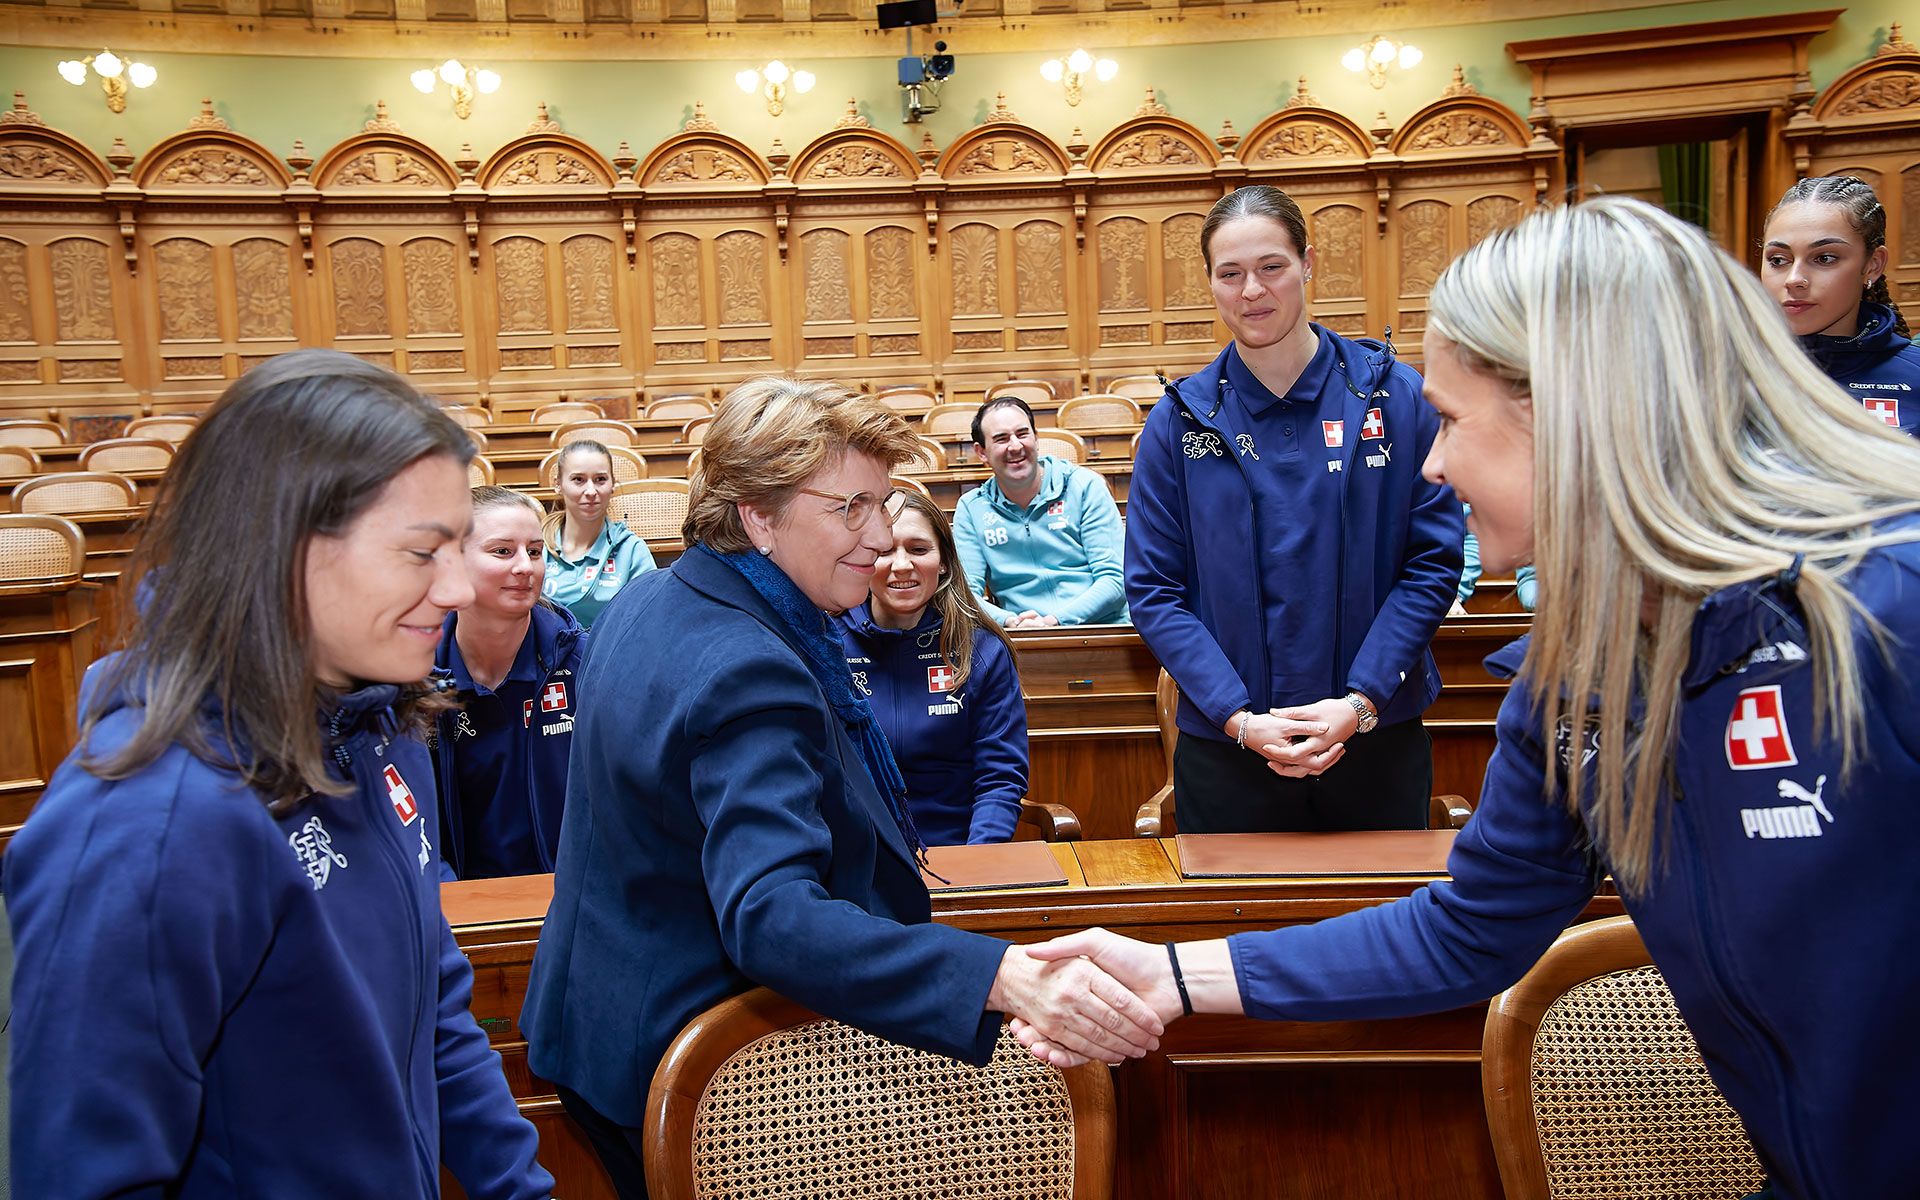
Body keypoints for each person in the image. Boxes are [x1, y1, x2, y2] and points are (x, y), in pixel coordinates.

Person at [1018, 198, 1920, 1200]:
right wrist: (1172, 976)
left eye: (1449, 421)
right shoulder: (1577, 675)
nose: (1434, 462)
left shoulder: (1892, 607)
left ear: (1571, 405)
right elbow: (1468, 928)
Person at [519, 377, 1164, 1199]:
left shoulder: (656, 595)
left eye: (884, 503)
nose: (881, 534)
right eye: (849, 508)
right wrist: (1006, 978)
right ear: (757, 514)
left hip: (596, 1019)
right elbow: (771, 914)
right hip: (688, 1065)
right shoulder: (749, 669)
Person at [5, 349, 553, 1199]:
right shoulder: (147, 825)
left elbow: (434, 1002)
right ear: (284, 548)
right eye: (422, 553)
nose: (455, 589)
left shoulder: (384, 722)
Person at [1126, 184, 1464, 833]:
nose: (1252, 291)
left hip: (1373, 739)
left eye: (1270, 267)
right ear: (1212, 283)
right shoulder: (1178, 421)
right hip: (1230, 752)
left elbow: (1431, 564)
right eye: (1231, 274)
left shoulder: (1396, 398)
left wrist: (1361, 702)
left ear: (1307, 263)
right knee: (1234, 931)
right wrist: (1239, 718)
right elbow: (1154, 591)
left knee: (1382, 931)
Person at [837, 491, 1029, 845]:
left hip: (959, 853)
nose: (901, 565)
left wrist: (978, 864)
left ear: (943, 562)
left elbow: (1000, 778)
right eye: (884, 551)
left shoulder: (982, 649)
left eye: (918, 549)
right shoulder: (829, 645)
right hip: (861, 863)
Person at [432, 486, 587, 879]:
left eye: (534, 552)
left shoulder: (585, 662)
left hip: (568, 897)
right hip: (457, 910)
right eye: (503, 551)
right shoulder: (415, 679)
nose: (525, 567)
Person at [951, 396, 1128, 628]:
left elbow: (1115, 580)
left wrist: (1054, 622)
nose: (1015, 446)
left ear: (1036, 439)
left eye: (1022, 434)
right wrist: (1010, 622)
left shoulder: (1085, 486)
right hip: (1020, 635)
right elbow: (965, 595)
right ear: (981, 452)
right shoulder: (971, 508)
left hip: (1100, 628)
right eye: (1001, 439)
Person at [1761, 175, 1918, 435]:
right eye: (1778, 260)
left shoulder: (1915, 375)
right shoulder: (1724, 372)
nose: (1794, 280)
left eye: (1824, 258)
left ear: (1873, 264)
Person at [542, 439, 656, 626]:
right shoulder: (537, 546)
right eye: (578, 479)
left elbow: (646, 619)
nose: (590, 491)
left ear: (612, 484)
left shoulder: (632, 550)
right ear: (558, 484)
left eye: (600, 479)